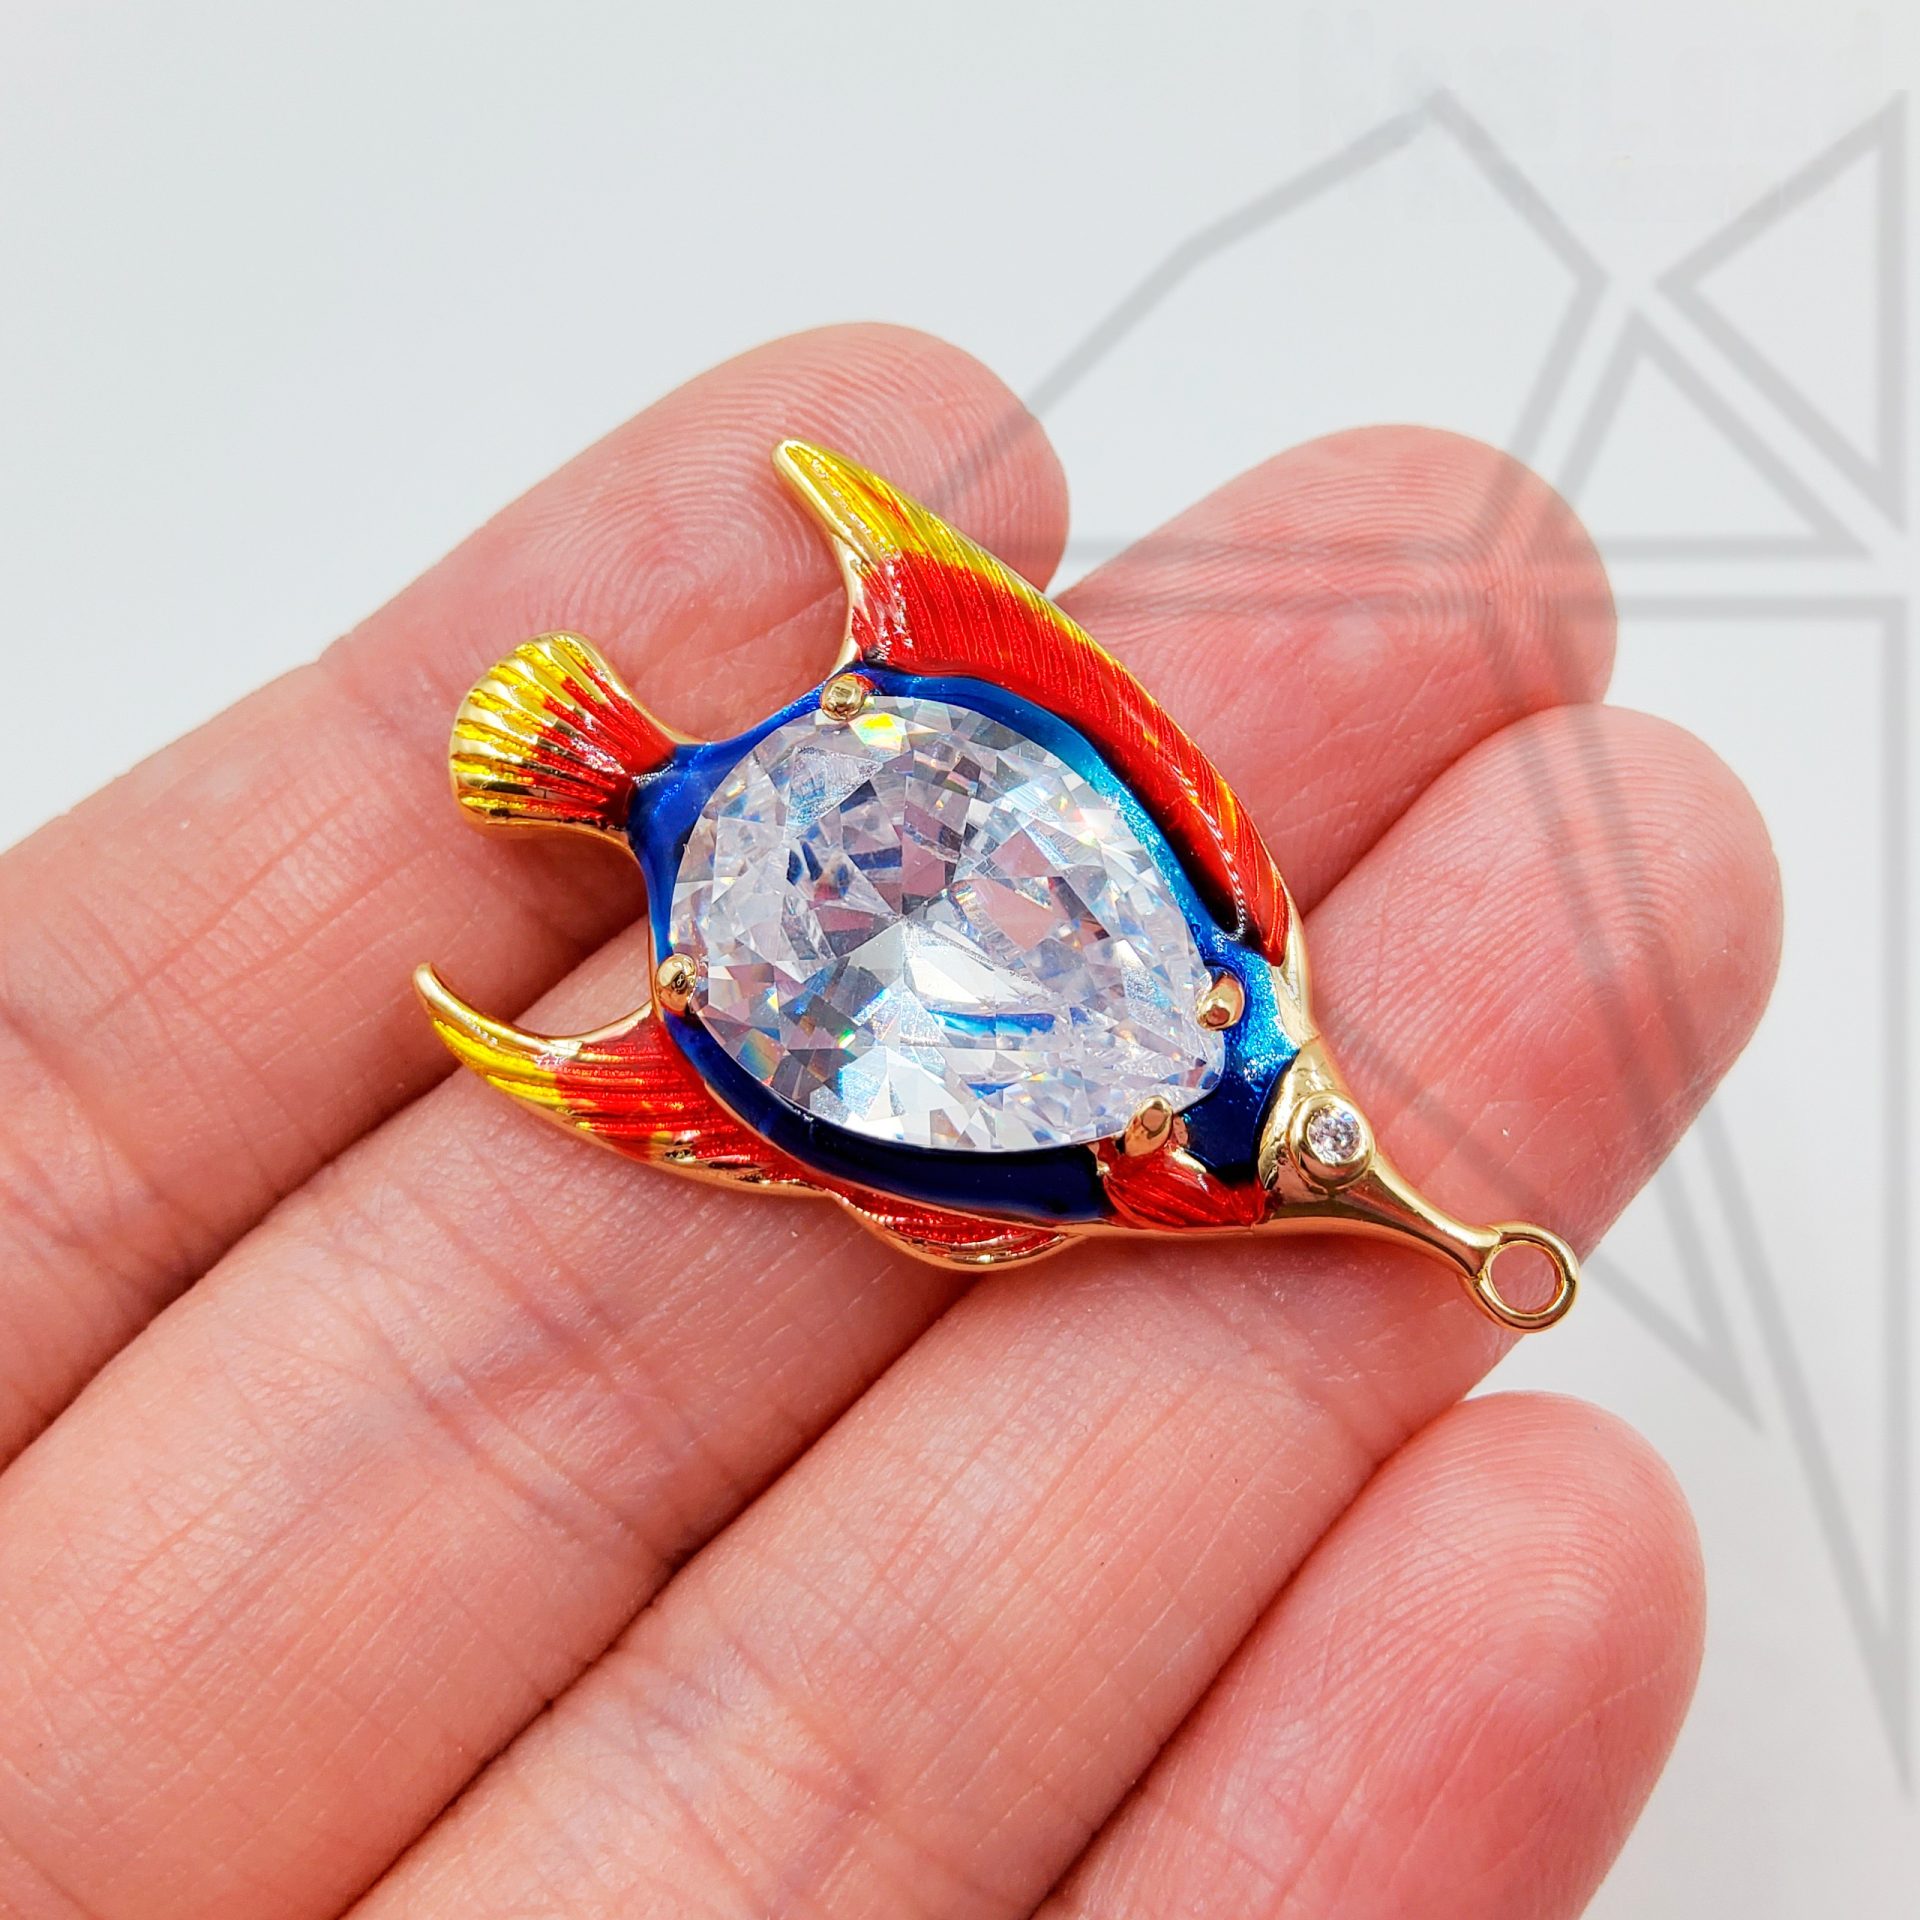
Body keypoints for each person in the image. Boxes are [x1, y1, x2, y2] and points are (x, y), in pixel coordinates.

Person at [0, 326, 1781, 1919]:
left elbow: (1073, 875)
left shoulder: (1212, 1037)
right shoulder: (1235, 979)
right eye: (1330, 1156)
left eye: (1329, 1164)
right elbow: (1099, 783)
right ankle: (627, 791)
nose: (1342, 1165)